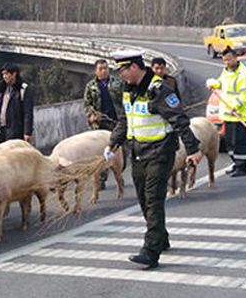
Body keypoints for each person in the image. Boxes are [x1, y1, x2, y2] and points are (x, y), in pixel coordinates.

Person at [106, 50, 201, 269]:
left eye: (123, 70)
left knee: (153, 199)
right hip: (138, 153)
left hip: (160, 152)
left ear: (134, 67)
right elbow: (124, 119)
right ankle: (161, 237)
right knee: (143, 199)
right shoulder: (127, 91)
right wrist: (113, 143)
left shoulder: (159, 89)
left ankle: (151, 250)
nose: (121, 76)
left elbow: (179, 119)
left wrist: (193, 148)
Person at [205, 46, 246, 177]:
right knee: (230, 143)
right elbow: (221, 84)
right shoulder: (225, 71)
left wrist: (236, 106)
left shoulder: (244, 72)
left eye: (229, 59)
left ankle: (242, 167)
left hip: (239, 114)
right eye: (224, 60)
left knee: (240, 142)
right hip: (227, 114)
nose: (227, 62)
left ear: (236, 58)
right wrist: (212, 83)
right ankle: (236, 164)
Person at [84, 59, 124, 190]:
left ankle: (119, 169)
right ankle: (102, 177)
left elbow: (125, 99)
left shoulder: (117, 83)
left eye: (106, 68)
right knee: (102, 152)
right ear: (96, 71)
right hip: (100, 125)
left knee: (120, 149)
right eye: (100, 69)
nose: (104, 71)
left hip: (116, 121)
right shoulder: (91, 86)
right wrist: (91, 115)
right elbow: (87, 104)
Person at [0, 63, 34, 145]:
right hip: (1, 131)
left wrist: (27, 132)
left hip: (16, 131)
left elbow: (28, 113)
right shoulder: (1, 89)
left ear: (14, 74)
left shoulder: (22, 89)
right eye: (3, 74)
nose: (4, 76)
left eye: (7, 74)